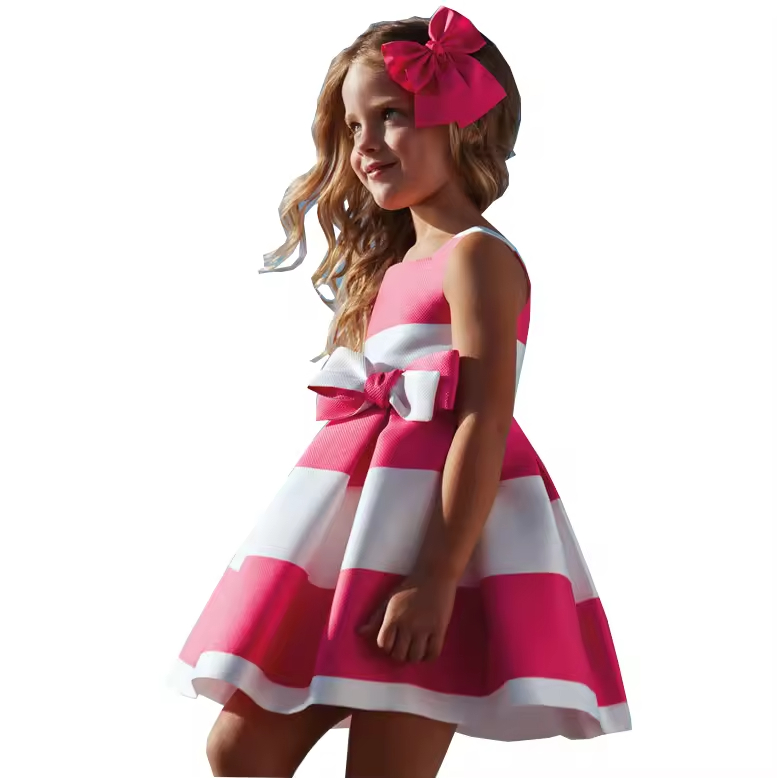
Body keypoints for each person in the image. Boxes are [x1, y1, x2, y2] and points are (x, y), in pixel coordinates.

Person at [168, 6, 632, 777]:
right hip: (358, 543)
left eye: (391, 116)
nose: (365, 145)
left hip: (430, 549)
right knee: (238, 750)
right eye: (353, 126)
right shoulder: (395, 272)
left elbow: (483, 420)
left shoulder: (477, 257)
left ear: (464, 123)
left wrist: (436, 577)